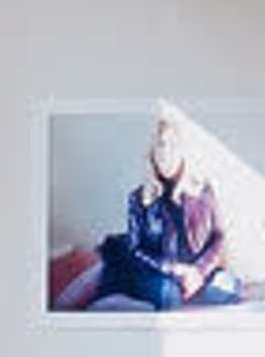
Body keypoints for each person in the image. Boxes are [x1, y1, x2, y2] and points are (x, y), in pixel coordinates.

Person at [77, 109, 234, 312]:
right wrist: (173, 269)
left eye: (172, 145)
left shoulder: (203, 190)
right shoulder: (138, 198)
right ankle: (128, 296)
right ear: (151, 151)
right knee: (168, 295)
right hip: (160, 272)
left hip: (198, 272)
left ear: (183, 151)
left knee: (228, 289)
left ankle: (163, 297)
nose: (165, 152)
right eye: (160, 145)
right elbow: (136, 249)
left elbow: (219, 236)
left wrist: (198, 271)